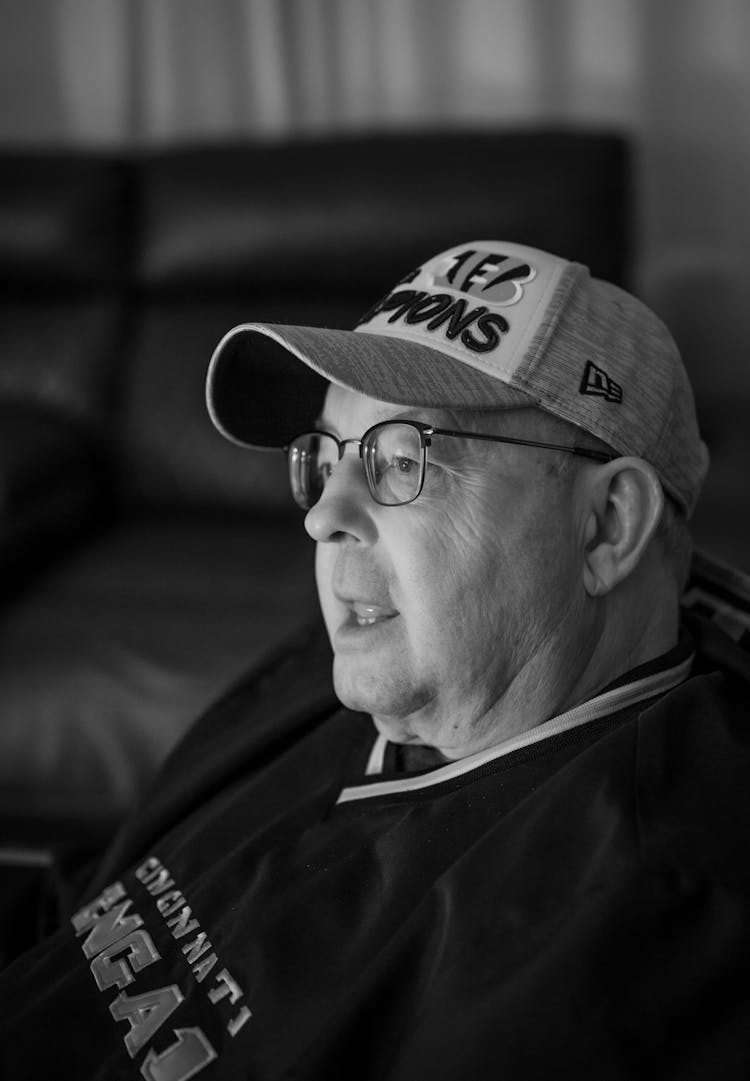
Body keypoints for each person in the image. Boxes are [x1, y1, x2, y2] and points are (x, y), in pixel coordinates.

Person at [1, 239, 749, 1080]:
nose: (325, 514)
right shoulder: (346, 665)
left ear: (607, 526)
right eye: (325, 457)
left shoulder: (635, 948)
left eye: (403, 459)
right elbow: (83, 910)